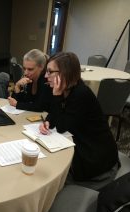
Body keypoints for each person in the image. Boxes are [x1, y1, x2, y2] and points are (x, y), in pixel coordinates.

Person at [39, 52, 119, 188]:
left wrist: (57, 96)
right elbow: (54, 112)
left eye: (50, 72)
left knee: (52, 181)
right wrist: (48, 121)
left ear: (65, 73)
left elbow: (62, 127)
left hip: (96, 160)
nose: (46, 76)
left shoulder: (80, 93)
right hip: (84, 146)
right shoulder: (65, 89)